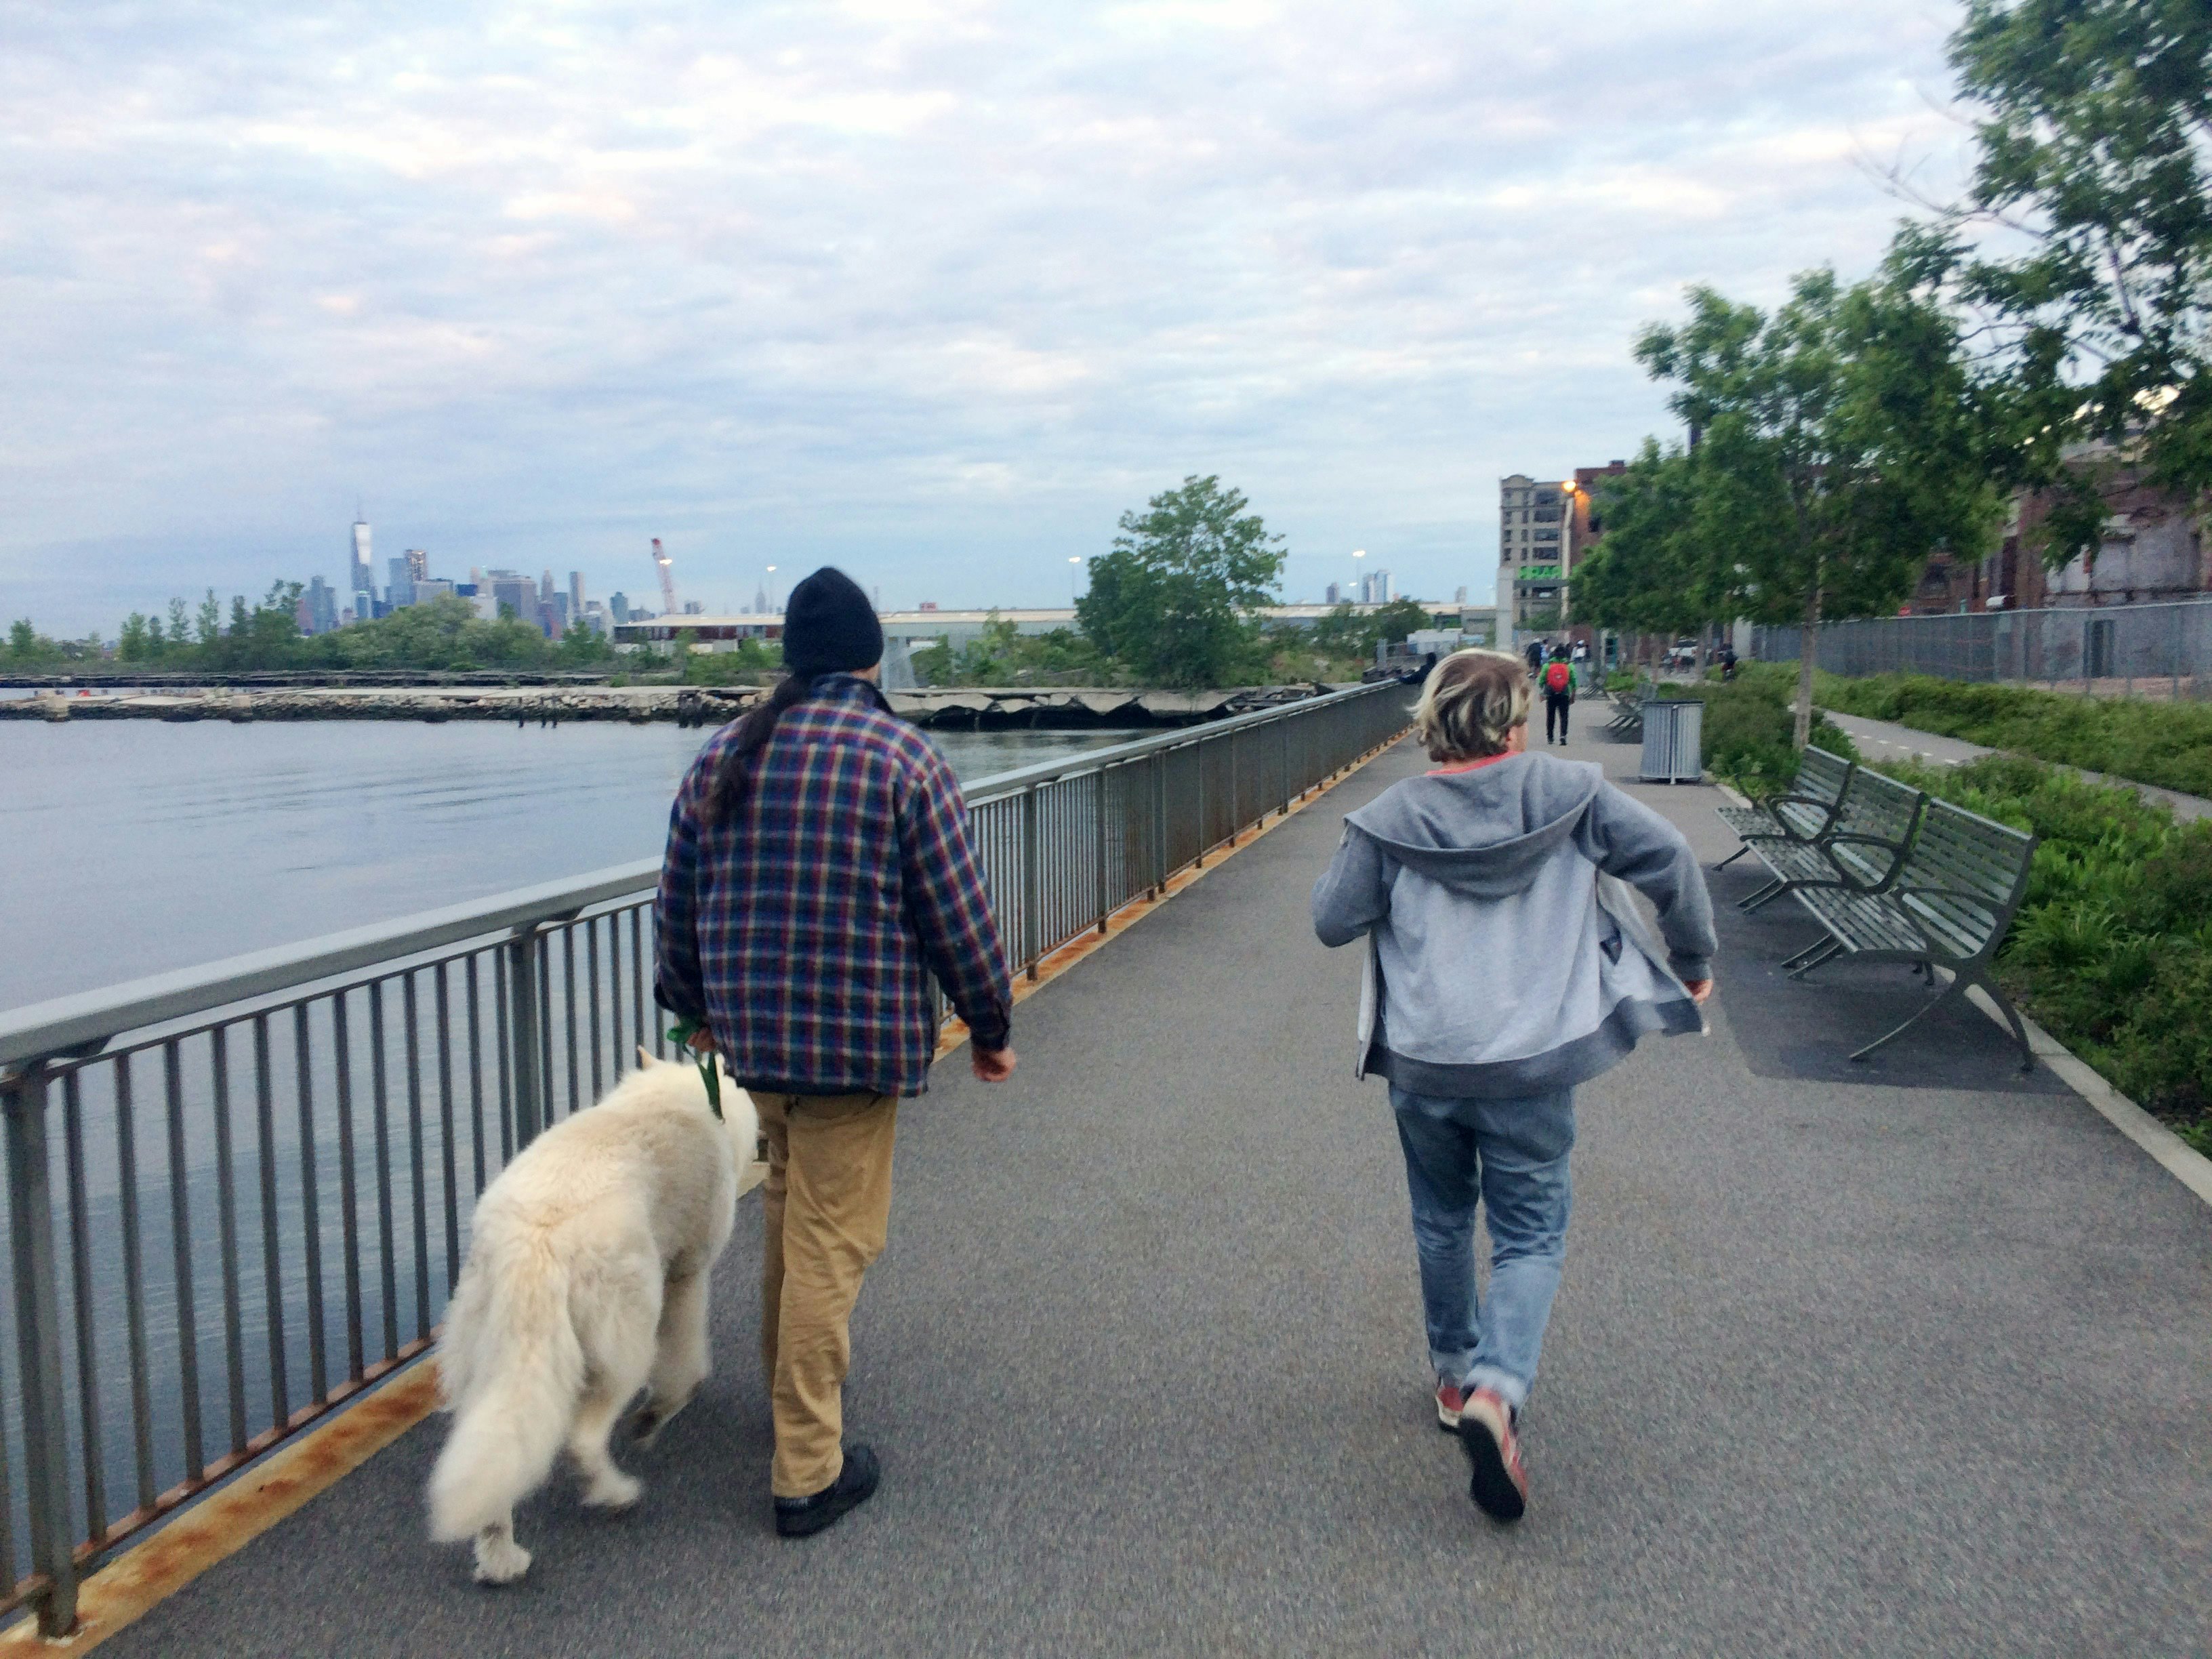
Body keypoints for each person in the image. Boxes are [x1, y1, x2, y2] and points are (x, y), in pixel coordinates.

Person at [1310, 649, 1715, 1523]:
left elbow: (1331, 922)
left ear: (1431, 721)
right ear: (1517, 719)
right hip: (1532, 1063)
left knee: (1442, 1220)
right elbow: (1672, 857)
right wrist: (1694, 960)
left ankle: (1456, 1381)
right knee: (1531, 1234)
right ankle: (1500, 1387)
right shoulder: (1573, 796)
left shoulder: (1387, 818)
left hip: (1425, 1061)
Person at [655, 567, 1017, 1539]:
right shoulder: (901, 758)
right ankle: (807, 1470)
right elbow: (957, 915)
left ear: (788, 657)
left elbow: (676, 904)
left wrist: (691, 1009)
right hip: (851, 1049)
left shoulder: (725, 755)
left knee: (787, 1219)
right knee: (831, 1241)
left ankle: (785, 1408)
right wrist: (990, 1025)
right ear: (869, 657)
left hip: (752, 1042)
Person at [1540, 644, 1576, 745]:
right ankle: (1563, 736)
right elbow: (1574, 681)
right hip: (1564, 693)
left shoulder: (1548, 665)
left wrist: (1542, 693)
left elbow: (1541, 680)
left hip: (1551, 693)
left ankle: (1550, 737)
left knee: (1550, 715)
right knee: (1564, 715)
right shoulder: (1569, 665)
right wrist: (1573, 695)